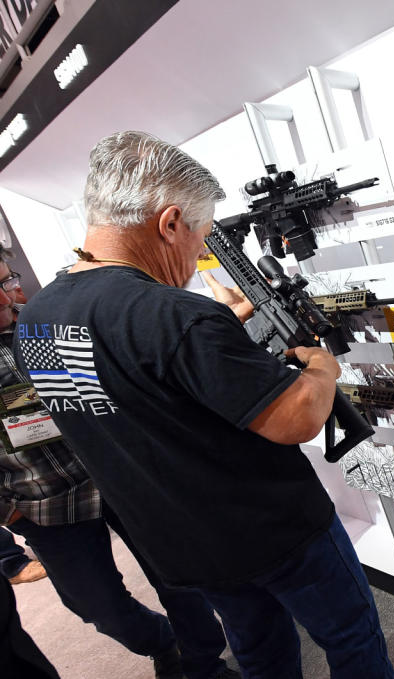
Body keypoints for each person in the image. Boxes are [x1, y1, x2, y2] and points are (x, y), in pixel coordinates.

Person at [14, 131, 394, 679]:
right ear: (170, 223)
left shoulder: (39, 318)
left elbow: (120, 388)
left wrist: (215, 340)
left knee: (260, 653)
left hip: (184, 544)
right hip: (273, 529)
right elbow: (299, 419)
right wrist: (322, 367)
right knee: (351, 636)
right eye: (202, 234)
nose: (201, 251)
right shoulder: (175, 314)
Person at [0, 251, 237, 679]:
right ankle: (162, 642)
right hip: (43, 504)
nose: (9, 293)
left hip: (118, 472)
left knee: (178, 579)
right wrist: (9, 512)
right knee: (97, 607)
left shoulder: (42, 320)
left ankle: (203, 663)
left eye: (7, 279)